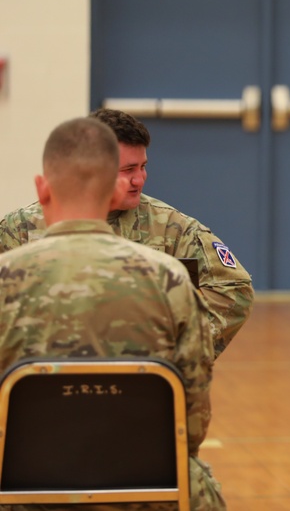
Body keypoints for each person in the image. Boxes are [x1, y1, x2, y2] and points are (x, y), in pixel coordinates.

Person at [0, 117, 223, 509]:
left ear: (43, 187)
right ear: (110, 188)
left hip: (23, 492)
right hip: (145, 485)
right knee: (196, 476)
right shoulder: (169, 279)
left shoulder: (4, 278)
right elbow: (192, 421)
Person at [0, 108, 253, 358]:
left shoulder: (169, 226)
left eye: (142, 166)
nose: (139, 179)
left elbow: (233, 289)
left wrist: (173, 346)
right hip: (40, 377)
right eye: (128, 170)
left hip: (142, 374)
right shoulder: (20, 230)